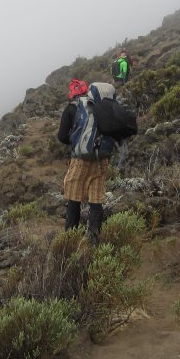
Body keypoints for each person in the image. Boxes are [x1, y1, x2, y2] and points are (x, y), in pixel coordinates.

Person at [57, 79, 116, 243]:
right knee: (96, 199)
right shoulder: (109, 108)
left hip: (80, 160)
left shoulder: (73, 107)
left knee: (74, 198)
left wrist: (77, 141)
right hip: (101, 160)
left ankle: (70, 240)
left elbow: (62, 136)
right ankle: (94, 240)